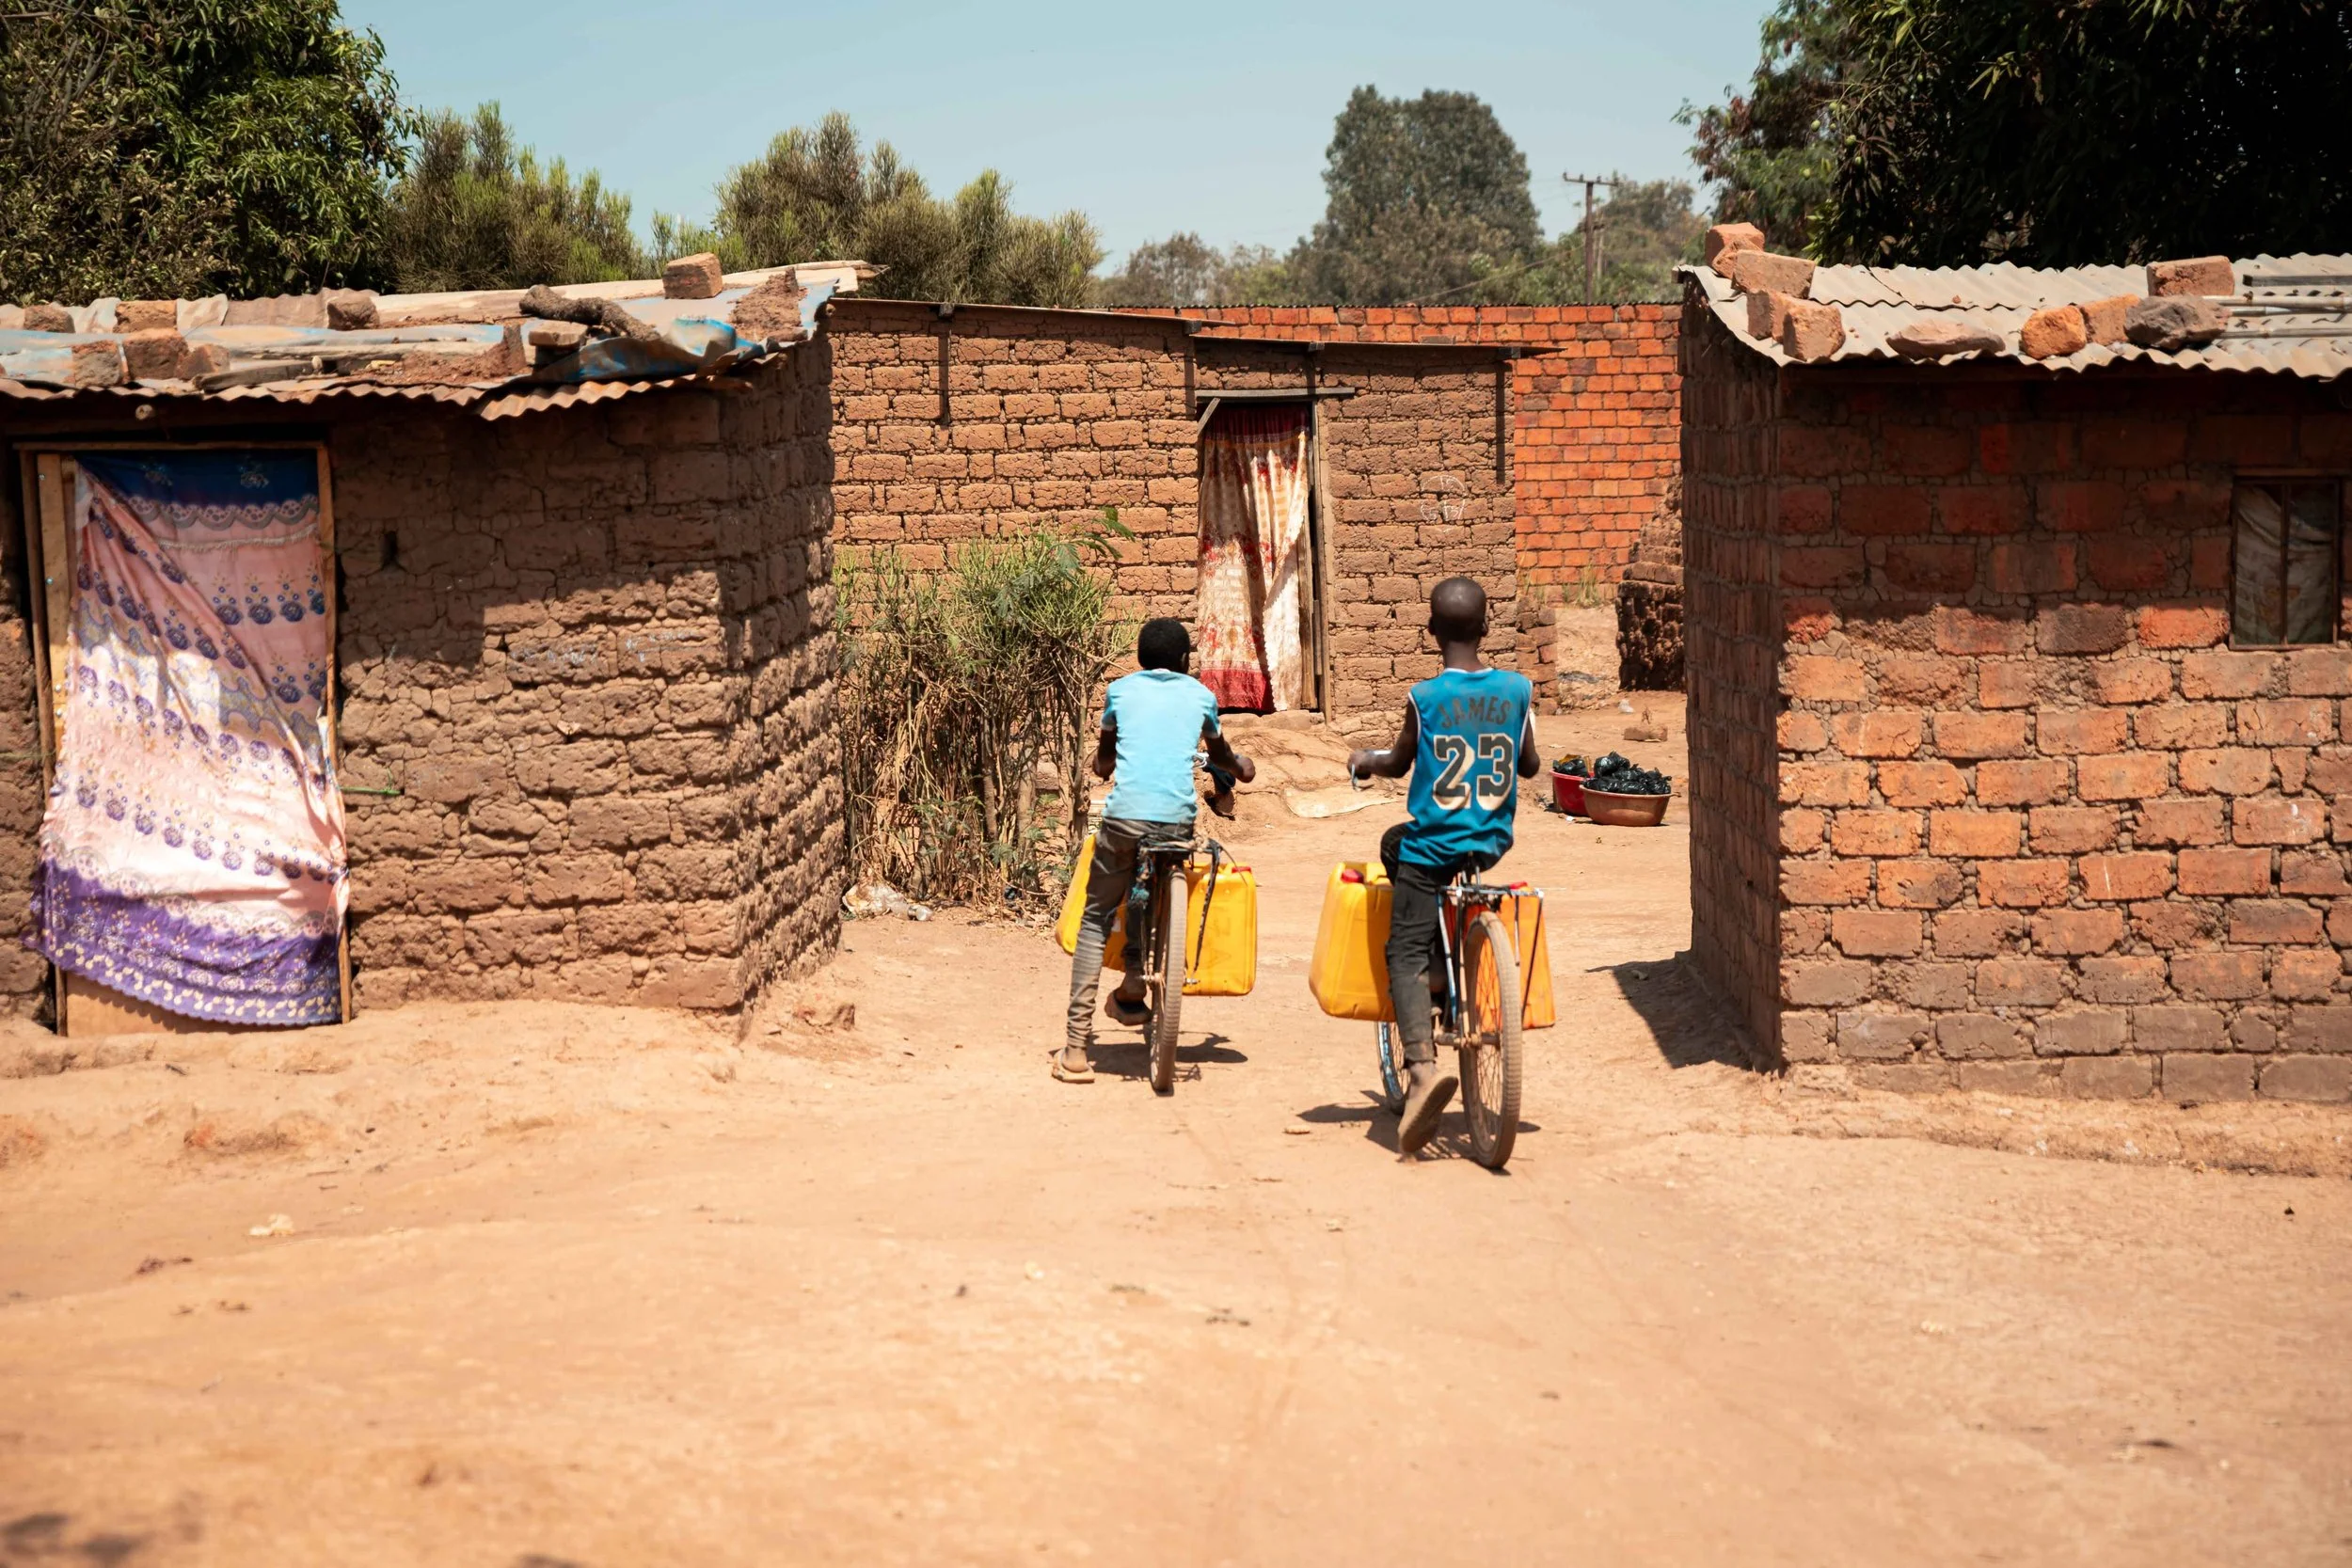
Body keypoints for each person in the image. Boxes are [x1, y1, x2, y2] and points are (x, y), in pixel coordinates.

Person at [1347, 577, 1539, 1153]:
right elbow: (1529, 766)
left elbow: (1400, 761)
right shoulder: (1518, 690)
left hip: (1433, 847)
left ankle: (1423, 1071)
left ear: (1432, 633)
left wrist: (1365, 758)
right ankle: (1445, 959)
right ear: (1486, 626)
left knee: (1400, 950)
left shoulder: (1424, 698)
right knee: (1394, 843)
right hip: (1488, 842)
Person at [1056, 617, 1255, 1084]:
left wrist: (1102, 765)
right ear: (1185, 662)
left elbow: (1105, 760)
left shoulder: (1120, 692)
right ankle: (1130, 983)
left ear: (1141, 660)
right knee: (1157, 878)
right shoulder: (1201, 697)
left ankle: (1075, 1050)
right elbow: (1223, 757)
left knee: (1096, 916)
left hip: (1124, 819)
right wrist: (1242, 768)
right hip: (1176, 821)